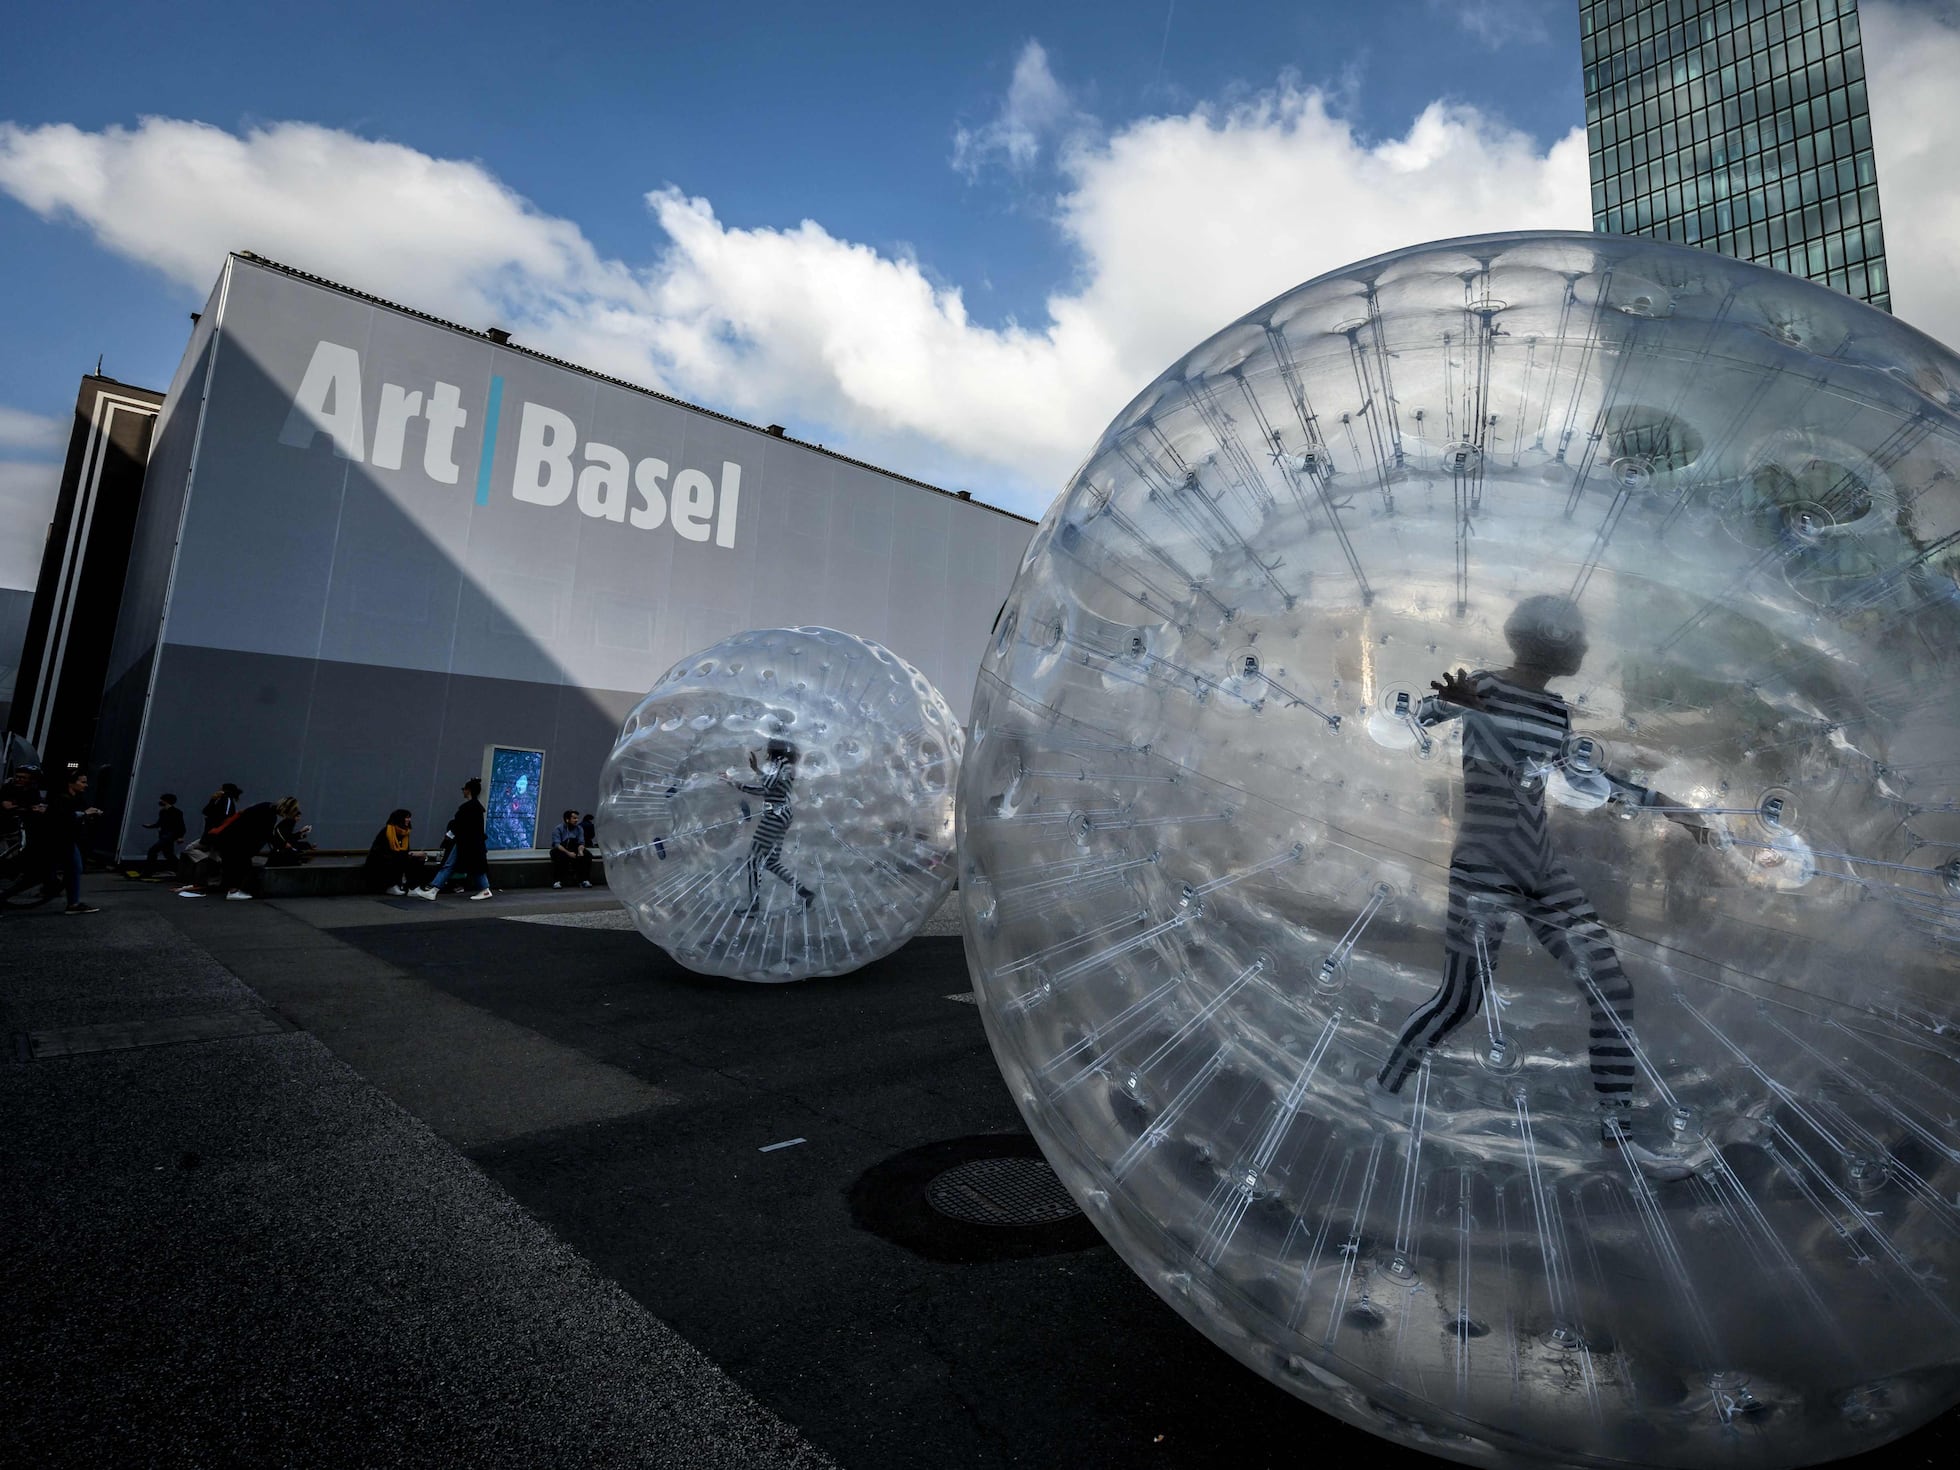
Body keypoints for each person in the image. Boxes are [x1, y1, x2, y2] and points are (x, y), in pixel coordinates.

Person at [1369, 595, 1711, 1175]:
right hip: (1486, 863)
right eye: (1577, 638)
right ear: (1550, 638)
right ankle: (1385, 1093)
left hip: (1541, 867)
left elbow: (1581, 775)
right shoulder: (1484, 688)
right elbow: (1411, 723)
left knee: (1611, 988)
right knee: (1461, 999)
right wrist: (1442, 705)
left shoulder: (1554, 712)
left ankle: (1617, 1139)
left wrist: (1666, 805)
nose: (1583, 647)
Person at [725, 739, 814, 911]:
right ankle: (805, 892)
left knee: (753, 860)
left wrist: (745, 777)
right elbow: (770, 789)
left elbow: (767, 787)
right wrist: (749, 776)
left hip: (775, 814)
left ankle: (754, 905)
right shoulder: (786, 765)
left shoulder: (779, 763)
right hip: (783, 814)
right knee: (771, 861)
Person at [179, 799, 280, 899]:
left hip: (218, 836)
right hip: (223, 838)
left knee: (221, 860)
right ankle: (228, 888)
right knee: (233, 863)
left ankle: (220, 884)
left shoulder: (243, 813)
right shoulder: (236, 810)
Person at [411, 777, 491, 901]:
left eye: (464, 789)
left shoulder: (466, 808)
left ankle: (434, 889)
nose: (463, 791)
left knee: (450, 865)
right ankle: (484, 889)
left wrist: (449, 836)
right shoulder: (477, 808)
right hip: (473, 844)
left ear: (468, 790)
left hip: (465, 842)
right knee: (474, 867)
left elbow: (458, 825)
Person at [37, 769, 105, 914]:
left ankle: (59, 894)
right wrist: (85, 814)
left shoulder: (76, 798)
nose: (85, 785)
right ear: (71, 783)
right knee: (74, 868)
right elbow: (63, 816)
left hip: (64, 838)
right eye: (82, 782)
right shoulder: (62, 798)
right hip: (61, 839)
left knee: (62, 867)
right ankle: (72, 903)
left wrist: (89, 813)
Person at [362, 809, 424, 895]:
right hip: (380, 859)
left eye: (409, 818)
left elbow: (405, 850)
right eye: (406, 817)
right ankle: (391, 885)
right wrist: (405, 855)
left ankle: (412, 887)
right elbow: (381, 851)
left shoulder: (405, 833)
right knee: (399, 860)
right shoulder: (387, 831)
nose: (409, 820)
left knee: (417, 859)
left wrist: (412, 854)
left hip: (396, 857)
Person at [139, 793, 187, 879]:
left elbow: (181, 825)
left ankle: (148, 872)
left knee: (153, 850)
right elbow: (159, 823)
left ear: (166, 801)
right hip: (164, 835)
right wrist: (150, 826)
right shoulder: (162, 812)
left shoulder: (177, 812)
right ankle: (181, 871)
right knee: (169, 854)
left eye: (162, 800)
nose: (160, 801)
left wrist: (180, 836)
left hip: (170, 835)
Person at [549, 810, 592, 888]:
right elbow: (557, 845)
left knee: (587, 855)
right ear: (567, 819)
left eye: (577, 818)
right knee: (559, 856)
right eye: (574, 818)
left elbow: (581, 842)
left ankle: (584, 880)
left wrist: (580, 851)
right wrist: (568, 853)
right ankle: (557, 881)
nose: (576, 820)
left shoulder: (579, 828)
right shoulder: (559, 828)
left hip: (574, 847)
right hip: (562, 849)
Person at [266, 797, 313, 866]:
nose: (298, 819)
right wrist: (285, 844)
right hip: (280, 853)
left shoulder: (286, 821)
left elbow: (286, 836)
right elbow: (279, 834)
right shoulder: (286, 821)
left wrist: (301, 833)